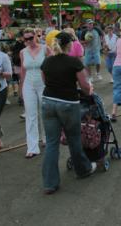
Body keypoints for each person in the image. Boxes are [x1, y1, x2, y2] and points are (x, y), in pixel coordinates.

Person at [40, 32, 96, 194]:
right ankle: (83, 169)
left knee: (52, 143)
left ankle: (50, 183)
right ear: (69, 45)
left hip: (48, 102)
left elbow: (45, 81)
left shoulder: (47, 62)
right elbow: (85, 86)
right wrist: (89, 90)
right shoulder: (74, 62)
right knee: (74, 138)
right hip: (68, 104)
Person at [20, 28, 52, 158]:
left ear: (35, 37)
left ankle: (46, 138)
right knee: (30, 115)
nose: (28, 41)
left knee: (45, 112)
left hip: (44, 83)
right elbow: (22, 71)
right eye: (25, 39)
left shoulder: (45, 49)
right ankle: (32, 147)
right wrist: (21, 88)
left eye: (30, 38)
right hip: (28, 84)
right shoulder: (22, 52)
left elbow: (53, 65)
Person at [11, 31, 25, 103]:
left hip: (19, 64)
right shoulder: (21, 44)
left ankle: (21, 97)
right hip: (19, 64)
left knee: (21, 81)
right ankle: (21, 97)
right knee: (22, 81)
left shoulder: (17, 44)